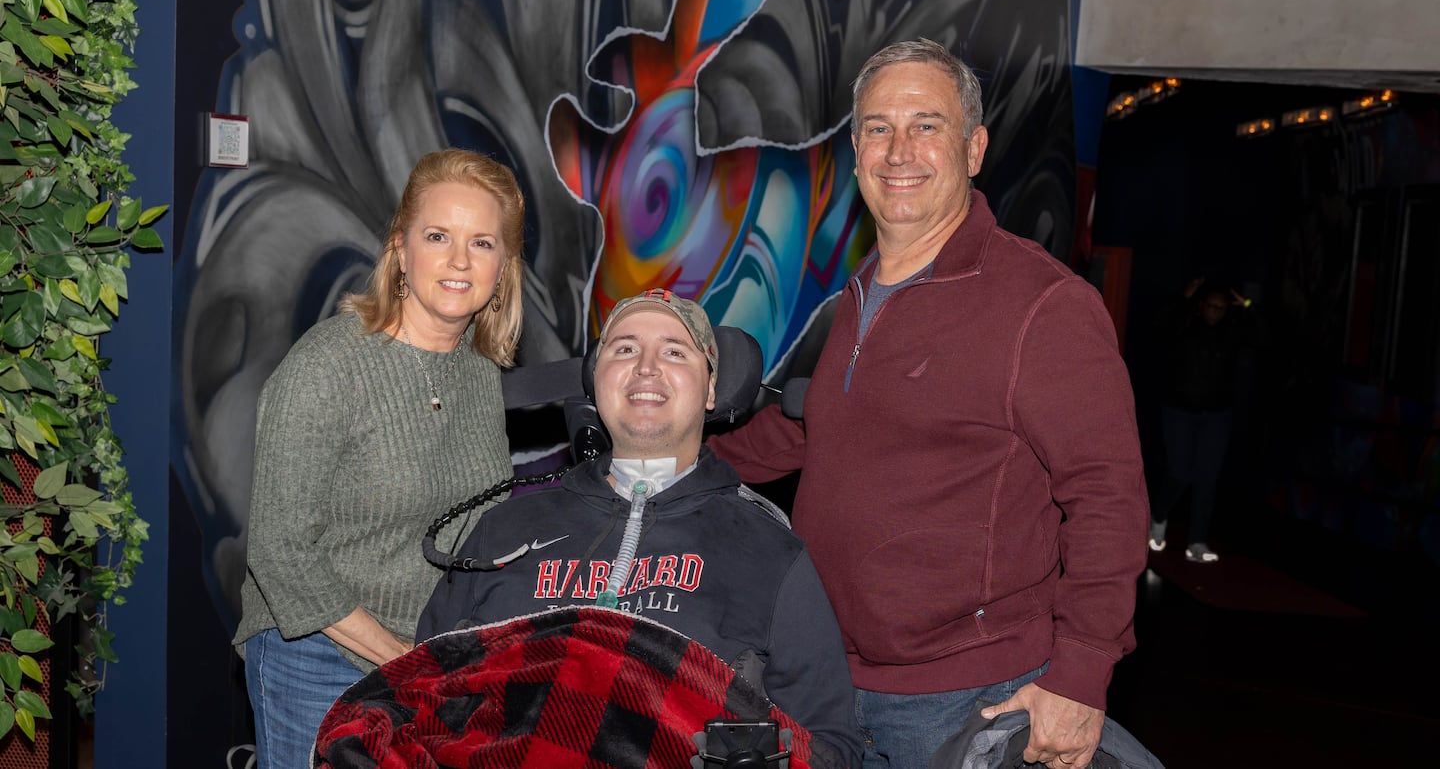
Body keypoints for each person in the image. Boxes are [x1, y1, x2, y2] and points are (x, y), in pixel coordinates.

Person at [705, 39, 1149, 769]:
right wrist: (659, 458)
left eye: (926, 125)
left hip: (971, 698)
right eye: (878, 127)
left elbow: (1108, 496)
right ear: (855, 151)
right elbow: (801, 431)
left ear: (973, 149)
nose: (898, 149)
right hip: (828, 683)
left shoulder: (1042, 304)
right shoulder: (851, 299)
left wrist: (1081, 672)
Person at [417, 289, 862, 769]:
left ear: (711, 388)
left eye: (675, 351)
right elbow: (417, 696)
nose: (647, 367)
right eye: (625, 348)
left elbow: (831, 746)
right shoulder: (502, 531)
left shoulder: (771, 553)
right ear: (596, 379)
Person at [233, 148, 525, 769]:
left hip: (429, 658)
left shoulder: (478, 371)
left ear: (504, 267)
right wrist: (402, 661)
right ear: (400, 248)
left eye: (482, 243)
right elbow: (280, 553)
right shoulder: (327, 366)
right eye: (438, 235)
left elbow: (476, 527)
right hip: (314, 654)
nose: (457, 261)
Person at [1148, 276, 1264, 563]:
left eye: (1221, 308)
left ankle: (1197, 541)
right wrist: (1183, 300)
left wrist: (1247, 305)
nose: (1215, 312)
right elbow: (1159, 327)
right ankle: (1159, 516)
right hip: (1180, 411)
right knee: (1179, 472)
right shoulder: (1185, 324)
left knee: (1207, 479)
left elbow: (1264, 339)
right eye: (1211, 306)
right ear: (1202, 306)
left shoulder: (1231, 332)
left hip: (1216, 415)